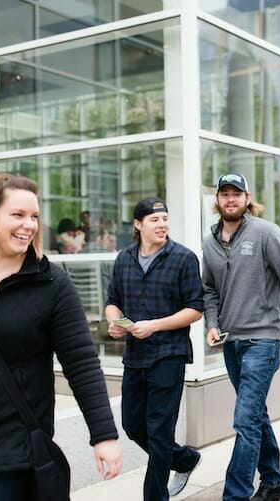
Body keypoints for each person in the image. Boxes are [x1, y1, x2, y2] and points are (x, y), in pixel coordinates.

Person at [0, 173, 122, 499]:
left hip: (12, 450)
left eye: (34, 216)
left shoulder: (50, 283)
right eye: (18, 215)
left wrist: (103, 435)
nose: (30, 225)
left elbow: (81, 362)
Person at [202, 172, 280, 501]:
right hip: (231, 342)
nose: (230, 199)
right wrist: (211, 323)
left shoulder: (266, 233)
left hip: (264, 340)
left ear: (247, 199)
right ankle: (273, 481)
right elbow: (208, 290)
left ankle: (235, 495)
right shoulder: (211, 242)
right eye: (224, 194)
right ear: (217, 201)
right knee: (255, 414)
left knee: (244, 418)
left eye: (237, 193)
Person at [105, 197, 204, 500]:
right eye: (154, 220)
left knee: (159, 432)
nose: (162, 224)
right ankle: (184, 459)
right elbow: (112, 302)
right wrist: (116, 324)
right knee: (133, 425)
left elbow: (195, 309)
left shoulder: (183, 258)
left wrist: (154, 325)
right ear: (138, 225)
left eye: (165, 219)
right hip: (135, 356)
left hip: (169, 355)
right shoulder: (124, 259)